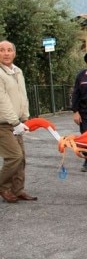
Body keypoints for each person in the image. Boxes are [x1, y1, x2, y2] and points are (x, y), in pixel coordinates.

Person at [0, 40, 38, 203]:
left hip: (17, 122)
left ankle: (17, 190)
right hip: (4, 124)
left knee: (21, 158)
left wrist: (25, 118)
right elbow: (2, 101)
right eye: (2, 50)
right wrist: (15, 122)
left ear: (14, 53)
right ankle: (3, 187)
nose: (6, 53)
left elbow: (22, 97)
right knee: (14, 157)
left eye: (9, 50)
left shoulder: (17, 71)